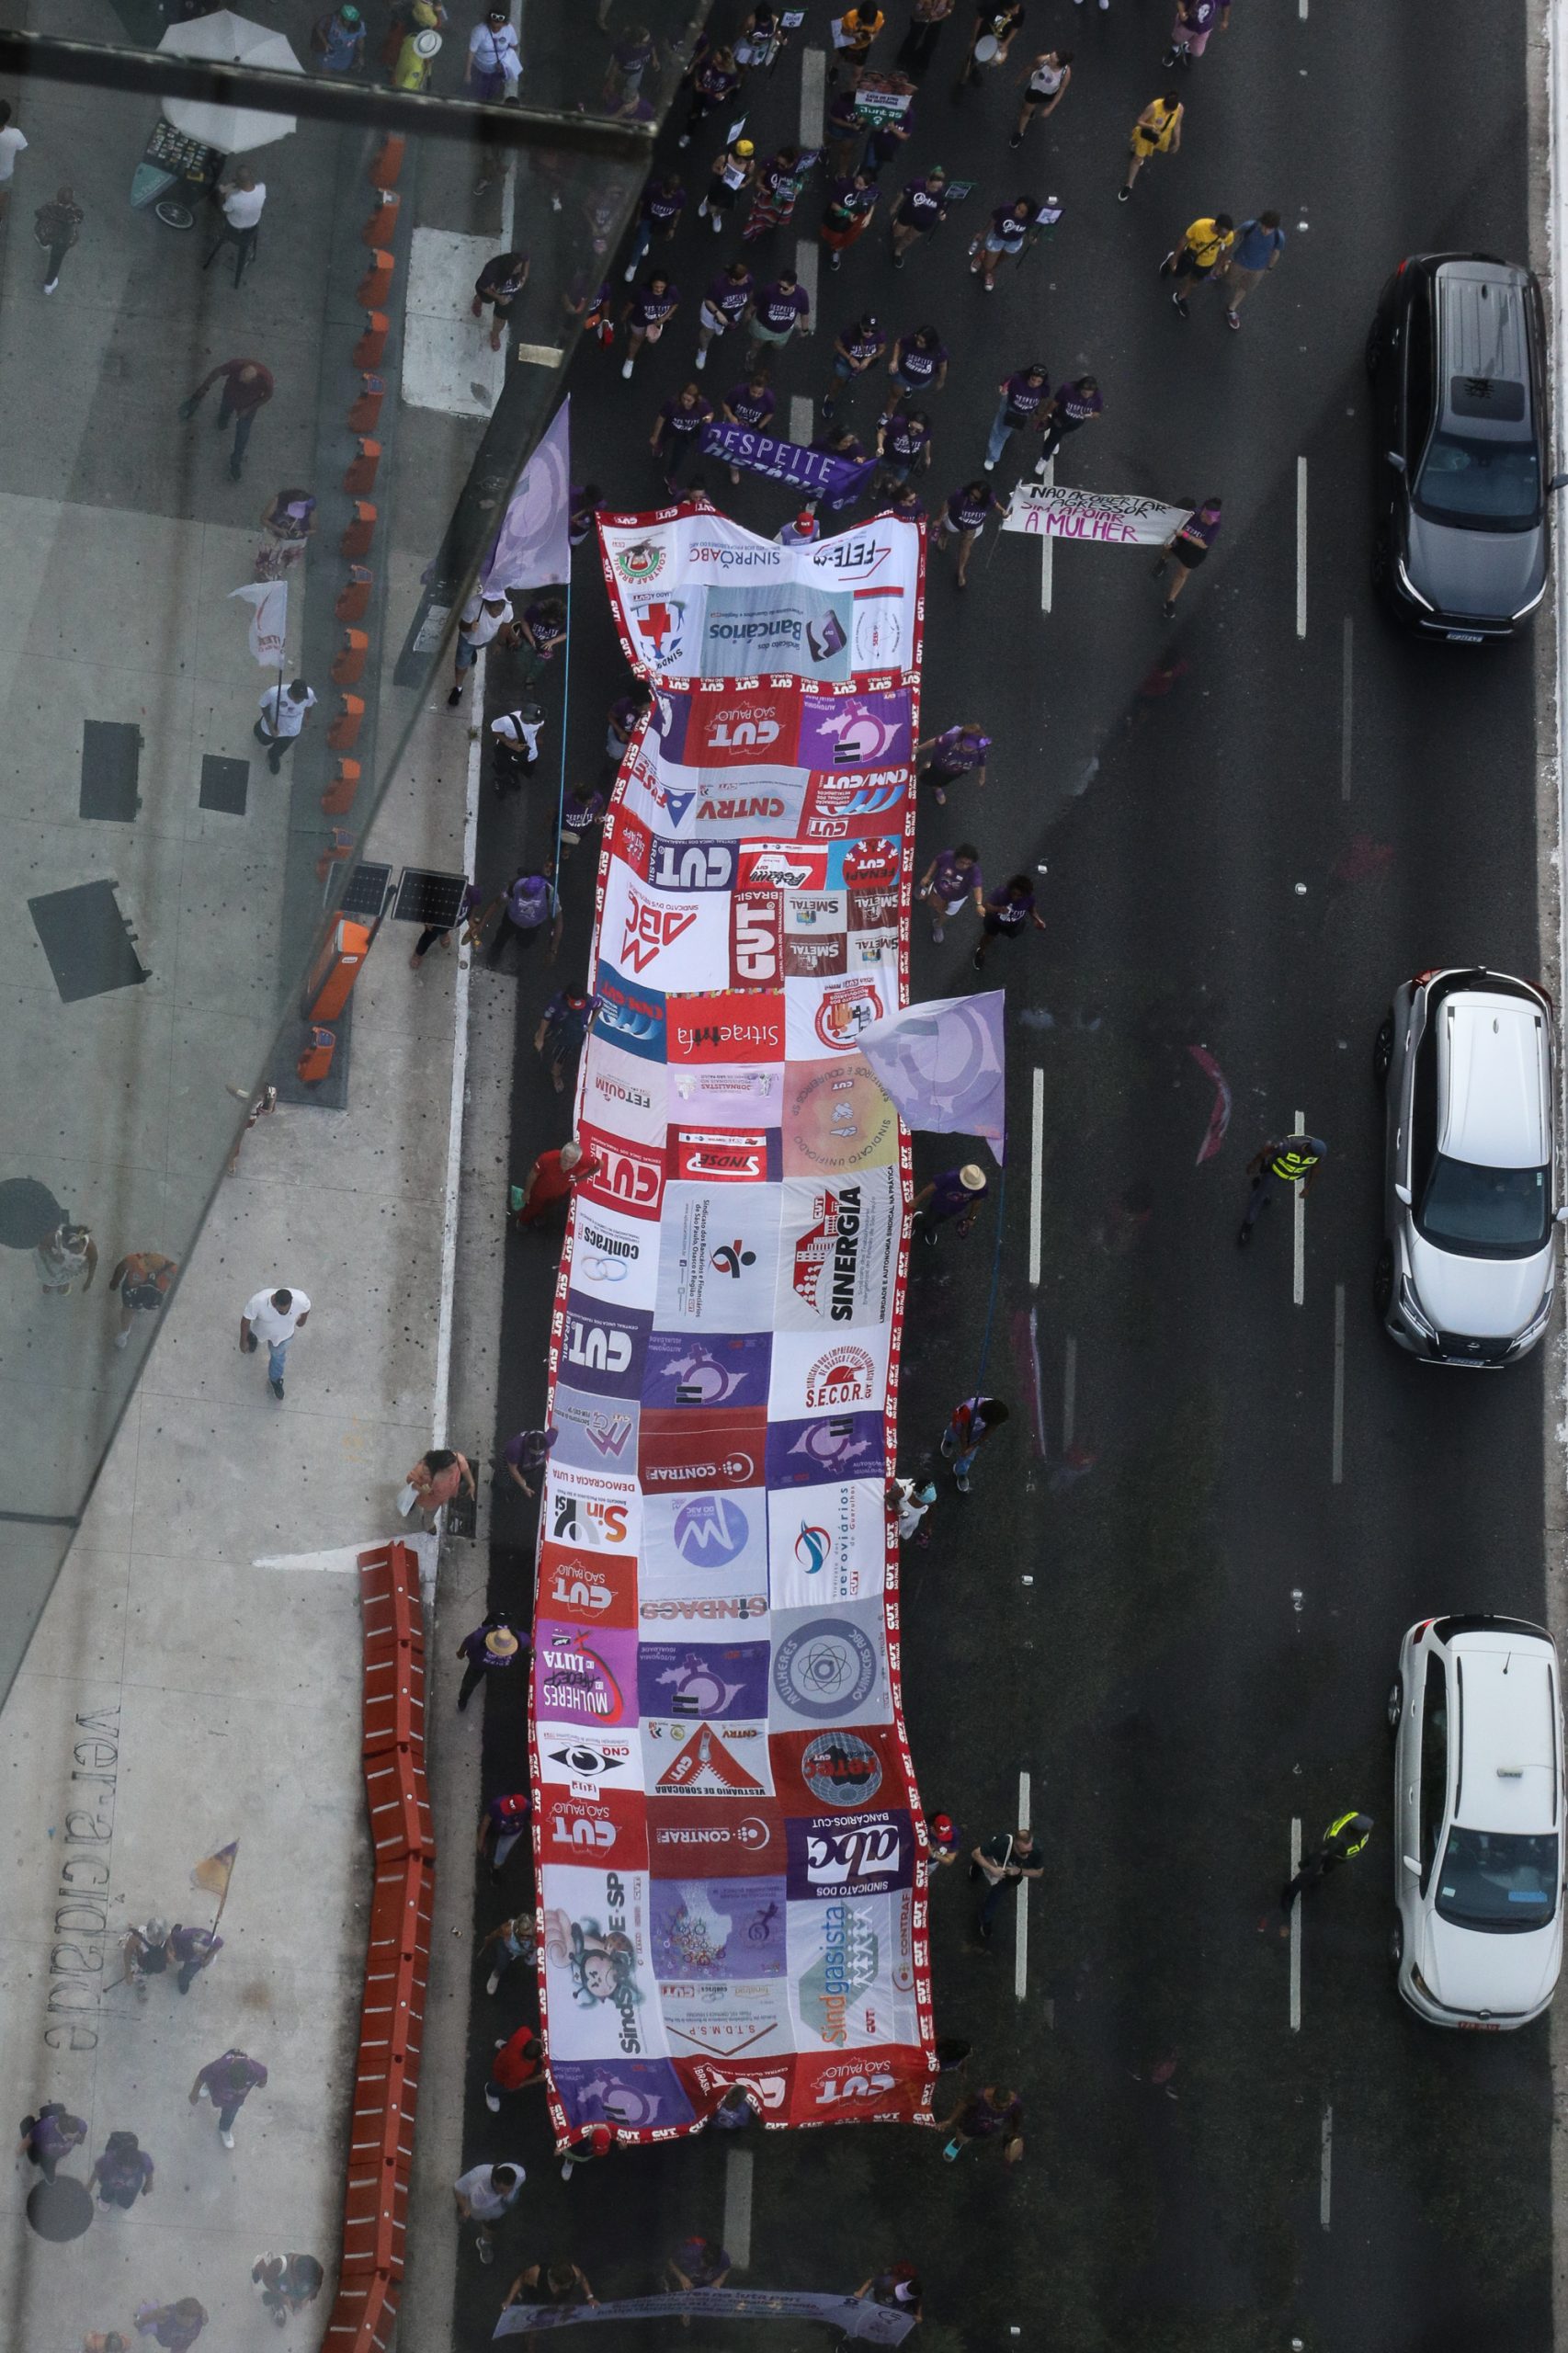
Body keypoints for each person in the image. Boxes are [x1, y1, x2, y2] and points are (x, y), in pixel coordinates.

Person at [180, 358, 273, 480]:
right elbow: (217, 372)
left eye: (244, 382)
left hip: (247, 407)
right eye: (240, 377)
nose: (240, 381)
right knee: (224, 411)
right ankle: (223, 419)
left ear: (254, 380)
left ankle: (236, 461)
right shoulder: (237, 365)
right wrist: (203, 388)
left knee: (242, 435)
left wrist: (249, 409)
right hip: (229, 396)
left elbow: (267, 397)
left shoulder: (266, 380)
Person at [1237, 1130, 1326, 1245]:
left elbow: (1316, 1168)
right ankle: (1247, 1225)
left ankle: (1259, 1183)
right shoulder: (1288, 1146)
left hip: (1290, 1175)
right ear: (1308, 1150)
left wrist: (1308, 1187)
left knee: (1263, 1190)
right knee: (1258, 1198)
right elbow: (1266, 1151)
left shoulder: (1317, 1154)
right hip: (1274, 1172)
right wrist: (1253, 1164)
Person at [1281, 1813, 1373, 1913]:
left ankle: (1315, 1878)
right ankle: (1290, 1891)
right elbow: (1321, 1852)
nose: (1368, 1832)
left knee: (1325, 1871)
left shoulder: (1354, 1818)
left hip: (1337, 1858)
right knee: (1308, 1874)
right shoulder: (1336, 1840)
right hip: (1329, 1851)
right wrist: (1311, 1863)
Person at [239, 1284, 311, 1402]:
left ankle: (275, 1379)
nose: (285, 1313)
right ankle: (251, 1339)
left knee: (278, 1356)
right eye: (281, 1311)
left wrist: (303, 1320)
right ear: (274, 1303)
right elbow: (246, 1320)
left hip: (283, 1337)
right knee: (254, 1336)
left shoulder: (300, 1298)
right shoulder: (258, 1301)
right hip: (260, 1331)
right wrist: (243, 1341)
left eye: (287, 1310)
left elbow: (307, 1306)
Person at [1153, 495, 1223, 616]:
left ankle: (1171, 600)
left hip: (1194, 550)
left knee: (1182, 573)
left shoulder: (1215, 525)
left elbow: (1204, 544)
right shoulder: (1190, 514)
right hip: (1180, 540)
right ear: (1203, 512)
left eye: (1215, 519)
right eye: (1210, 518)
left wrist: (1186, 535)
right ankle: (1163, 561)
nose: (1212, 521)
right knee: (1167, 549)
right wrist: (1172, 540)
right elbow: (1173, 525)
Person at [969, 1825, 1042, 1938]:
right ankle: (977, 1868)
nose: (1027, 1855)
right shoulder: (1002, 1844)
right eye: (1023, 1853)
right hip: (996, 1865)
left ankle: (985, 1919)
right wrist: (992, 1869)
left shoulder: (1036, 1850)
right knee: (983, 1861)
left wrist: (1019, 1871)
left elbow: (1038, 1872)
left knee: (995, 1897)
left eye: (1029, 1851)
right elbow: (975, 1853)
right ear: (1015, 1847)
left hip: (1011, 1879)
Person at [448, 591, 518, 705]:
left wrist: (500, 643)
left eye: (500, 611)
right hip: (467, 640)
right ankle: (458, 688)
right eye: (495, 611)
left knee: (478, 647)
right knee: (461, 666)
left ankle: (473, 652)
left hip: (485, 640)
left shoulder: (507, 609)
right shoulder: (474, 604)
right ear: (486, 605)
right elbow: (461, 626)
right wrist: (470, 627)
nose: (497, 614)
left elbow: (505, 626)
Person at [188, 2049, 267, 2150]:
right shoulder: (219, 2067)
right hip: (217, 2089)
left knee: (230, 2114)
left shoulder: (259, 2071)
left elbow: (263, 2082)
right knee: (211, 2080)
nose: (237, 2090)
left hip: (235, 2101)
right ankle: (208, 2087)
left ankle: (224, 2129)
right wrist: (193, 2093)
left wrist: (261, 2084)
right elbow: (201, 2077)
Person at [512, 1139, 599, 1229]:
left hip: (558, 1195)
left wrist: (582, 1178)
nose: (567, 1164)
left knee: (548, 1208)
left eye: (572, 1162)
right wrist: (527, 1192)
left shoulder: (584, 1161)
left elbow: (599, 1164)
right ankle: (522, 1222)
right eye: (565, 1160)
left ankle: (540, 1216)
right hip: (539, 1192)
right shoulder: (547, 1158)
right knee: (531, 1208)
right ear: (561, 1154)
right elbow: (532, 1175)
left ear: (577, 1160)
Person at [485, 867, 562, 969]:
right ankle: (493, 958)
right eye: (523, 891)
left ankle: (520, 945)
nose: (523, 894)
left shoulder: (550, 893)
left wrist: (553, 950)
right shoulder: (517, 884)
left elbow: (558, 922)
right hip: (510, 920)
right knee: (500, 939)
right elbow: (498, 902)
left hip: (532, 927)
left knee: (524, 943)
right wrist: (482, 924)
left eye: (527, 894)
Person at [1161, 213, 1235, 317]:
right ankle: (1170, 260)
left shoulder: (1228, 235)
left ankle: (1180, 298)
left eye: (1227, 234)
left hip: (1206, 263)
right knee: (1177, 273)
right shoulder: (1199, 226)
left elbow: (1227, 249)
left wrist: (1219, 267)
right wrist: (1175, 260)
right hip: (1190, 257)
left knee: (1194, 281)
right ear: (1217, 227)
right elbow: (1183, 241)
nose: (1225, 236)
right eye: (1223, 234)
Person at [1221, 210, 1286, 329]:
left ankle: (1231, 309)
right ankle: (1225, 267)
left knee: (1244, 288)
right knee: (1228, 281)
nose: (1265, 231)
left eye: (1269, 229)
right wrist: (1224, 247)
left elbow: (1276, 252)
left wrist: (1270, 267)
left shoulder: (1279, 237)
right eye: (1264, 227)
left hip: (1258, 269)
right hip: (1239, 262)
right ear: (1261, 222)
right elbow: (1234, 234)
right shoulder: (1250, 226)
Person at [933, 478, 1004, 585]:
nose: (972, 497)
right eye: (971, 494)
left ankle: (961, 570)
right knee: (947, 529)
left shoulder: (989, 498)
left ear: (983, 499)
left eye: (976, 497)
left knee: (966, 547)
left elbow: (995, 504)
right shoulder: (960, 495)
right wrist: (939, 519)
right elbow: (947, 504)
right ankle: (944, 536)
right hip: (954, 521)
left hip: (972, 528)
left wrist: (1002, 511)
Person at [453, 2160, 525, 2265]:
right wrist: (465, 2209)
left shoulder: (520, 2174)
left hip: (496, 2211)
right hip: (477, 2206)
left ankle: (484, 2243)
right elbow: (458, 2189)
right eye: (502, 2190)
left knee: (493, 2226)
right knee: (468, 2212)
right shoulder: (477, 2176)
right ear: (494, 2181)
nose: (506, 2194)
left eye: (509, 2189)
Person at [205, 166, 266, 287]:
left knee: (218, 197)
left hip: (234, 227)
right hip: (253, 224)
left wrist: (222, 196)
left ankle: (224, 236)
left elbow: (225, 210)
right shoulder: (262, 187)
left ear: (239, 181)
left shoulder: (235, 198)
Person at [973, 872, 1046, 969]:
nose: (1015, 897)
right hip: (995, 921)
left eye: (1020, 895)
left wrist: (1037, 919)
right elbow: (986, 905)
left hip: (1013, 923)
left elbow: (1032, 910)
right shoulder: (1001, 893)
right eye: (1014, 893)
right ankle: (981, 951)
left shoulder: (1029, 899)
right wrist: (998, 909)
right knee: (988, 937)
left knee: (1014, 933)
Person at [821, 313, 886, 419]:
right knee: (839, 382)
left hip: (862, 363)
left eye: (873, 330)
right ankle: (830, 400)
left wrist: (869, 358)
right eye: (866, 330)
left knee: (849, 377)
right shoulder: (849, 333)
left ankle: (851, 376)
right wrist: (850, 358)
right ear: (861, 326)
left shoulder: (880, 334)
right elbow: (837, 344)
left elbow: (882, 348)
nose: (869, 333)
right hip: (845, 362)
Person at [653, 382, 717, 490]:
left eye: (689, 400)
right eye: (683, 398)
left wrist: (707, 419)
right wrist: (655, 436)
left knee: (678, 457)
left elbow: (710, 413)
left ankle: (670, 476)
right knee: (662, 438)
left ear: (695, 400)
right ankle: (659, 445)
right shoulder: (672, 403)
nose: (685, 402)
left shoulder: (702, 405)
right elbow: (661, 418)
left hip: (686, 434)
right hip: (670, 428)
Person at [108, 1249, 177, 1349]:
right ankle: (124, 1332)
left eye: (147, 1266)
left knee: (138, 1307)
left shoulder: (173, 1270)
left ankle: (142, 1306)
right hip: (133, 1291)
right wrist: (115, 1281)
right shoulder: (134, 1260)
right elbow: (121, 1267)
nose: (142, 1266)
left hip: (152, 1296)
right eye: (144, 1262)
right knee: (127, 1311)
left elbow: (182, 1283)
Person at [983, 362, 1049, 470]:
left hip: (1024, 412)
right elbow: (1004, 385)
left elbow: (1043, 399)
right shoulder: (1017, 379)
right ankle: (992, 457)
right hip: (1010, 407)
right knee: (999, 432)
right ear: (1029, 376)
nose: (1035, 384)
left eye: (1039, 382)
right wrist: (1002, 390)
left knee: (1006, 430)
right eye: (1033, 379)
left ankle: (1006, 433)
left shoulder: (1044, 388)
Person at [621, 268, 681, 381]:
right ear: (651, 285)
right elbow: (630, 305)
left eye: (662, 288)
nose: (659, 290)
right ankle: (630, 359)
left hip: (658, 321)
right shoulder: (642, 292)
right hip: (640, 319)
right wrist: (623, 316)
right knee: (636, 339)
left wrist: (664, 318)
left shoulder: (672, 291)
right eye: (656, 287)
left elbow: (675, 304)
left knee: (650, 338)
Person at [940, 1394, 1008, 1493]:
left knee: (968, 1456)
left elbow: (990, 1430)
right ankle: (948, 1440)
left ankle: (960, 1472)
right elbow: (963, 1432)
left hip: (975, 1432)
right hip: (959, 1427)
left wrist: (972, 1446)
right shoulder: (968, 1409)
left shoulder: (996, 1413)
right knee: (953, 1434)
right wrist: (964, 1448)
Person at [624, 170, 686, 278]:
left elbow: (678, 212)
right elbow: (641, 203)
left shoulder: (680, 195)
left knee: (650, 234)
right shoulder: (653, 189)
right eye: (670, 192)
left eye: (674, 192)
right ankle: (633, 265)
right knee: (640, 242)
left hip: (663, 221)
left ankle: (646, 241)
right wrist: (638, 218)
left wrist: (673, 227)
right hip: (648, 218)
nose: (672, 195)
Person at [1120, 92, 1183, 198]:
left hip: (1160, 137)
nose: (1168, 113)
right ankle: (1129, 185)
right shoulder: (1154, 107)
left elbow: (1177, 126)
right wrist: (1151, 127)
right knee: (1138, 159)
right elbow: (1140, 121)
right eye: (1166, 110)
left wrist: (1177, 141)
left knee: (1139, 154)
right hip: (1147, 135)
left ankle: (1135, 148)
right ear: (1163, 104)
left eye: (1171, 111)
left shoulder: (1179, 109)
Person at [938, 2086, 1023, 2164]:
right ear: (993, 2101)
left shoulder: (1015, 2103)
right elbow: (964, 2103)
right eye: (1000, 2108)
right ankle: (958, 2142)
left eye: (1007, 2107)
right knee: (963, 2136)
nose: (1004, 2110)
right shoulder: (980, 2097)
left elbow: (1016, 2116)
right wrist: (950, 2120)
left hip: (992, 2125)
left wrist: (1015, 2131)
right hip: (972, 2122)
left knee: (986, 2134)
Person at [695, 259, 755, 369]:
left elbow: (750, 292)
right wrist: (717, 313)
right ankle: (702, 350)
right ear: (733, 280)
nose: (747, 281)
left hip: (733, 313)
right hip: (712, 314)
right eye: (743, 279)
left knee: (721, 327)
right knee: (708, 334)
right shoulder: (718, 285)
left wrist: (748, 308)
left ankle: (719, 328)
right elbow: (708, 301)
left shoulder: (749, 280)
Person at [918, 844, 983, 943]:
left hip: (956, 899)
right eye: (962, 862)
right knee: (930, 902)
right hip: (938, 889)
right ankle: (926, 887)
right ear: (957, 857)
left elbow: (977, 887)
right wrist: (928, 876)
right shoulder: (948, 856)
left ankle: (938, 925)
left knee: (947, 914)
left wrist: (979, 903)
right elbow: (937, 861)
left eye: (968, 864)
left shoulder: (974, 871)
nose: (965, 866)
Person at [679, 42, 742, 144]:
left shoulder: (731, 74)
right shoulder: (708, 63)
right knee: (694, 114)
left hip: (713, 98)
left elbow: (734, 85)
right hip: (700, 93)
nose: (713, 61)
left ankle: (705, 110)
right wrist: (696, 81)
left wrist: (724, 93)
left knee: (708, 108)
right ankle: (688, 134)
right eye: (714, 57)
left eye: (717, 60)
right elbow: (698, 68)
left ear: (724, 63)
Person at [745, 271, 811, 368]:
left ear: (793, 286)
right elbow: (756, 303)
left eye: (785, 288)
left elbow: (804, 313)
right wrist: (748, 312)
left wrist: (805, 329)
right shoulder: (769, 290)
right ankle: (751, 356)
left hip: (784, 331)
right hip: (763, 327)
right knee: (757, 344)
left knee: (778, 346)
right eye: (779, 285)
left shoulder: (801, 295)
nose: (780, 289)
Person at [1035, 374, 1102, 469]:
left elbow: (1097, 412)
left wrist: (1091, 415)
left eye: (1090, 394)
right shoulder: (1067, 389)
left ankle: (1056, 441)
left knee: (1059, 435)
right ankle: (1044, 459)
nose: (1086, 396)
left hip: (1076, 422)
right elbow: (1055, 402)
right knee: (1052, 438)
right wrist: (1045, 415)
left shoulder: (1097, 397)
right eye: (1084, 393)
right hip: (1060, 418)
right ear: (1079, 388)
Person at [457, 1617, 523, 1712]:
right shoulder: (479, 1636)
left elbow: (528, 1641)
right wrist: (461, 1653)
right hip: (477, 1667)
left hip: (497, 1667)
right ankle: (463, 1699)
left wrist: (531, 1651)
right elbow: (467, 1642)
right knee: (469, 1684)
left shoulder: (520, 1639)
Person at [744, 144, 808, 242]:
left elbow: (801, 178)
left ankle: (769, 224)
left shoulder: (799, 166)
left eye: (782, 165)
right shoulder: (770, 162)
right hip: (768, 196)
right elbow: (760, 176)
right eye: (777, 162)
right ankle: (756, 230)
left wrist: (798, 188)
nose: (778, 166)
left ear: (792, 163)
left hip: (784, 197)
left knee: (774, 216)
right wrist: (759, 184)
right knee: (760, 215)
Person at [820, 168, 880, 270]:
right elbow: (834, 205)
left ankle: (836, 250)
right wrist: (847, 214)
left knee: (848, 237)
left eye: (861, 185)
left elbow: (873, 202)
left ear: (869, 185)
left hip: (857, 218)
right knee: (833, 237)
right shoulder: (845, 185)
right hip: (839, 218)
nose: (856, 185)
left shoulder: (872, 191)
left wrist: (869, 215)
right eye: (856, 181)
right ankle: (834, 246)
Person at [535, 990, 595, 1093]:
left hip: (570, 1036)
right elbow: (546, 1018)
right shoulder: (558, 1000)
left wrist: (591, 1024)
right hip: (556, 1025)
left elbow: (599, 1005)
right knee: (543, 1036)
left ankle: (555, 1075)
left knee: (560, 1057)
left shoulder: (590, 1001)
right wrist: (540, 1038)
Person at [912, 1163, 987, 1243]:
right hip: (938, 1204)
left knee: (939, 1220)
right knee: (930, 1218)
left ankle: (926, 1225)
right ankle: (919, 1221)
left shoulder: (981, 1187)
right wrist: (916, 1201)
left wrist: (971, 1218)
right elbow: (932, 1187)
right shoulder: (950, 1177)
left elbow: (977, 1202)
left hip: (954, 1210)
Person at [720, 374, 777, 480]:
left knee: (746, 449)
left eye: (760, 393)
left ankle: (738, 465)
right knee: (732, 447)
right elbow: (725, 404)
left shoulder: (769, 398)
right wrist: (731, 416)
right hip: (735, 423)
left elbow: (770, 414)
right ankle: (734, 467)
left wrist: (759, 427)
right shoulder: (739, 391)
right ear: (749, 387)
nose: (756, 395)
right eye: (754, 392)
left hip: (753, 427)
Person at [255, 678, 316, 774]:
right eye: (298, 698)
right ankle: (258, 728)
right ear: (291, 692)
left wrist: (307, 718)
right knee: (263, 740)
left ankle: (274, 756)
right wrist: (271, 726)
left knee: (281, 747)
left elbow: (309, 705)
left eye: (302, 698)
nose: (301, 700)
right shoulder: (274, 693)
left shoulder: (309, 694)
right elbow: (264, 706)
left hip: (292, 730)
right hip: (272, 726)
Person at [972, 197, 1034, 291]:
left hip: (1014, 242)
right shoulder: (1006, 209)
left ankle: (985, 262)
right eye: (1018, 208)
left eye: (1022, 212)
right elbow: (993, 220)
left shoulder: (1030, 219)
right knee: (988, 265)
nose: (1017, 212)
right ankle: (987, 268)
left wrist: (1031, 237)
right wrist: (982, 233)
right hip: (997, 238)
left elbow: (1029, 228)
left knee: (999, 260)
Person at [472, 250, 529, 351]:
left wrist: (524, 276)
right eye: (516, 269)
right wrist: (499, 298)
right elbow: (483, 286)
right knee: (483, 298)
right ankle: (478, 300)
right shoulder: (492, 269)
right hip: (490, 292)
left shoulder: (520, 260)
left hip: (509, 296)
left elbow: (527, 258)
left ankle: (495, 335)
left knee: (501, 319)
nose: (519, 270)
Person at [890, 167, 948, 266]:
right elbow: (904, 194)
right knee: (897, 233)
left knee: (909, 237)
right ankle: (897, 225)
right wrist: (894, 206)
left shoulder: (941, 193)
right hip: (908, 214)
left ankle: (898, 251)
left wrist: (942, 214)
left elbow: (941, 207)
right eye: (933, 187)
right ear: (928, 181)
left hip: (925, 222)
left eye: (938, 187)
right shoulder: (916, 184)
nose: (936, 190)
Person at [1012, 48, 1070, 144]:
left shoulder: (1065, 73)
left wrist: (1050, 108)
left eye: (1052, 60)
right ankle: (1019, 133)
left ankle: (1032, 110)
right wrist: (1020, 78)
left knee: (1034, 106)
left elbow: (1062, 89)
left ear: (1059, 65)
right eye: (1050, 56)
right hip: (1034, 90)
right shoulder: (1042, 60)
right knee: (1026, 112)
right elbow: (1030, 68)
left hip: (1048, 94)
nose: (1048, 59)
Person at [256, 487, 316, 579]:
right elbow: (263, 519)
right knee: (267, 560)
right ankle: (264, 575)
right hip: (273, 537)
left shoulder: (310, 508)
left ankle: (277, 573)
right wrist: (278, 530)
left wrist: (303, 533)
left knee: (282, 561)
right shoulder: (278, 500)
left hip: (293, 543)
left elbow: (314, 529)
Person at [404, 1447, 476, 1525]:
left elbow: (464, 1467)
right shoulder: (422, 1470)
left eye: (455, 1468)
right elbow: (410, 1480)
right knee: (429, 1514)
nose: (454, 1471)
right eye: (449, 1471)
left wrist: (472, 1484)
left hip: (441, 1498)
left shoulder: (455, 1459)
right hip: (430, 1500)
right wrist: (421, 1490)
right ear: (439, 1468)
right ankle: (428, 1524)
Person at [19, 2102, 86, 2185]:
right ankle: (29, 2123)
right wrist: (19, 2152)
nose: (77, 2139)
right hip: (42, 2150)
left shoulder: (80, 2126)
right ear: (64, 2132)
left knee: (50, 2168)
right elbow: (28, 2140)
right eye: (72, 2138)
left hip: (54, 2155)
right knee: (34, 2160)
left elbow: (82, 2133)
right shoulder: (45, 2128)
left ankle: (49, 2173)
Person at [958, 0, 1023, 83]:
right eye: (1013, 10)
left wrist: (1006, 43)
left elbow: (1016, 27)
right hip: (983, 36)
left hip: (999, 39)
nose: (1017, 12)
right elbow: (979, 20)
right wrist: (973, 40)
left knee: (986, 58)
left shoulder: (1020, 10)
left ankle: (974, 67)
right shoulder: (991, 5)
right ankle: (965, 73)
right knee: (973, 56)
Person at [34, 184, 83, 294]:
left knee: (42, 235)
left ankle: (44, 244)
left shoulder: (50, 206)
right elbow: (79, 218)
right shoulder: (75, 211)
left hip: (47, 233)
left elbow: (38, 213)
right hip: (62, 239)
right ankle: (49, 285)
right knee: (55, 262)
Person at [251, 2256, 324, 2328]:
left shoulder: (317, 2272)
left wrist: (304, 2300)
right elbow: (266, 2280)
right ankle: (264, 2262)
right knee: (260, 2293)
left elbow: (315, 2288)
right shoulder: (280, 2264)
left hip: (288, 2283)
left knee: (297, 2297)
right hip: (276, 2274)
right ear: (295, 2273)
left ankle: (278, 2301)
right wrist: (283, 2297)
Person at [486, 2027, 547, 2113]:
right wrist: (537, 2079)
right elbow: (513, 2086)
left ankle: (502, 2045)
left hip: (505, 2055)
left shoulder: (523, 2034)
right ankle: (490, 2092)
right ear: (533, 2059)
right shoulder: (519, 2072)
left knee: (510, 2045)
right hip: (501, 2073)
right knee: (500, 2086)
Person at [87, 2130, 154, 2207]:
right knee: (106, 2194)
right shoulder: (109, 2159)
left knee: (126, 2202)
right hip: (109, 2183)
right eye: (125, 2168)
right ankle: (105, 2199)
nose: (129, 2172)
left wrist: (149, 2183)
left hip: (131, 2188)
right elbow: (97, 2170)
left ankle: (122, 2202)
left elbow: (149, 2171)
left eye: (133, 2169)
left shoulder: (144, 2159)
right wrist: (90, 2185)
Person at [872, 406, 932, 494]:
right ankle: (877, 485)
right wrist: (880, 446)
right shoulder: (898, 423)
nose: (913, 432)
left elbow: (926, 441)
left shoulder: (926, 432)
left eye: (918, 431)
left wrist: (927, 457)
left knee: (898, 483)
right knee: (880, 473)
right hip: (887, 456)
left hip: (905, 463)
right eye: (911, 427)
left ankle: (890, 486)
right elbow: (882, 432)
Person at [466, 6, 521, 97]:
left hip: (497, 70)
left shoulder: (509, 29)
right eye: (493, 26)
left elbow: (514, 46)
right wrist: (467, 73)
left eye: (498, 27)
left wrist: (504, 63)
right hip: (480, 68)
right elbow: (471, 52)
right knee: (480, 92)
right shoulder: (479, 31)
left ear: (504, 24)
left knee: (493, 90)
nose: (495, 29)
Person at [480, 1907, 539, 1992]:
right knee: (502, 1963)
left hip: (524, 1951)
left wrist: (535, 1945)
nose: (526, 1938)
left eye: (530, 1935)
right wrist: (488, 1940)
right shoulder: (507, 1929)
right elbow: (495, 1933)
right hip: (507, 1949)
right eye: (523, 1935)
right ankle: (495, 1974)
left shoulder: (535, 1934)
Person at [477, 1789, 533, 1874]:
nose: (505, 1809)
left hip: (511, 1833)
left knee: (502, 1851)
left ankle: (495, 1870)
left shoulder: (529, 1808)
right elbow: (486, 1821)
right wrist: (481, 1840)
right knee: (488, 1836)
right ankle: (486, 1848)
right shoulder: (497, 1804)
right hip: (495, 1826)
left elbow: (532, 1821)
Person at [491, 702, 544, 793]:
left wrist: (538, 737)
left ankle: (513, 774)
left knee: (526, 769)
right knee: (503, 769)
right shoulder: (507, 722)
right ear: (529, 720)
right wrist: (510, 744)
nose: (541, 721)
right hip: (508, 752)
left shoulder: (538, 719)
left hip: (530, 753)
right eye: (538, 721)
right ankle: (502, 781)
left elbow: (541, 725)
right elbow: (495, 730)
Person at [604, 21, 659, 107]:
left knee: (631, 90)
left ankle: (625, 103)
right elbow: (615, 66)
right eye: (646, 42)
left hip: (637, 71)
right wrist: (611, 82)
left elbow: (652, 46)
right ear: (637, 42)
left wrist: (655, 59)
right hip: (622, 71)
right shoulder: (623, 49)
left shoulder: (648, 44)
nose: (649, 42)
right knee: (614, 86)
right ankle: (608, 96)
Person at [503, 2261, 597, 2311]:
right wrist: (508, 2301)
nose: (569, 2287)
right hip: (537, 2297)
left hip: (556, 2300)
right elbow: (520, 2280)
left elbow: (583, 2280)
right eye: (565, 2285)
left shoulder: (575, 2273)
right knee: (532, 2326)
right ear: (555, 2282)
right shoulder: (536, 2274)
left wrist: (590, 2297)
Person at [36, 1220, 97, 1295]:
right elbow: (41, 1247)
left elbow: (93, 1262)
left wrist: (88, 1279)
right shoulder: (55, 1237)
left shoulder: (90, 1250)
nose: (71, 1253)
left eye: (76, 1252)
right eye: (69, 1249)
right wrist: (52, 1258)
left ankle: (63, 1281)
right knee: (49, 1273)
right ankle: (49, 1282)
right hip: (55, 1262)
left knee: (66, 1273)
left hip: (71, 1268)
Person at [831, 2, 886, 85]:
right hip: (847, 43)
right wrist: (855, 35)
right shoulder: (850, 17)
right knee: (839, 57)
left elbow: (877, 31)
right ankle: (834, 69)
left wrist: (872, 37)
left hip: (863, 46)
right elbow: (843, 32)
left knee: (857, 72)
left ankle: (850, 93)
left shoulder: (879, 17)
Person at [897, 0, 955, 76]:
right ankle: (903, 59)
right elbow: (917, 11)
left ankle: (921, 63)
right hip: (921, 17)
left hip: (936, 19)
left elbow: (949, 9)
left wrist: (939, 18)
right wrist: (927, 12)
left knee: (931, 43)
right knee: (913, 37)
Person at [1164, 0, 1228, 66]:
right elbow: (1181, 2)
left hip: (1203, 30)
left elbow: (1226, 4)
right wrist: (1181, 13)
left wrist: (1225, 20)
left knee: (1197, 51)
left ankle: (1187, 49)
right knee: (1177, 39)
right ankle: (1175, 48)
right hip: (1187, 25)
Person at [501, 1424, 557, 1498]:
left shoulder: (549, 1439)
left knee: (528, 1475)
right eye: (534, 1452)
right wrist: (524, 1486)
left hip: (529, 1466)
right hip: (511, 1464)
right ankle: (503, 1489)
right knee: (504, 1479)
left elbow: (555, 1428)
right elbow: (513, 1470)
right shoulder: (515, 1449)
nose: (537, 1455)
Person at [166, 1922, 223, 1994]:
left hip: (195, 1961)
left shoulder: (213, 1940)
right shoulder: (184, 1936)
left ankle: (183, 1981)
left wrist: (208, 1958)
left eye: (202, 1952)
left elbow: (219, 1944)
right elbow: (170, 1937)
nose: (198, 1954)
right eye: (197, 1951)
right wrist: (170, 1951)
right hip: (183, 1952)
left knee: (189, 1973)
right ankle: (177, 1928)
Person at [122, 1915, 171, 1994]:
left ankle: (142, 1982)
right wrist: (128, 1973)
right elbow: (127, 1953)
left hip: (149, 1959)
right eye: (159, 1940)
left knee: (145, 1974)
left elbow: (168, 1938)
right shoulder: (137, 1939)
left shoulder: (163, 1934)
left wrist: (169, 1951)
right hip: (138, 1956)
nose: (160, 1942)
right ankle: (129, 1930)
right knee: (137, 1971)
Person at [132, 2302, 207, 2353]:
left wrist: (140, 2322)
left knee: (151, 2311)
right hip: (176, 2342)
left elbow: (154, 2314)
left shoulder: (170, 2312)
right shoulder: (199, 2321)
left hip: (163, 2336)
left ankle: (140, 2316)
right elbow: (182, 2347)